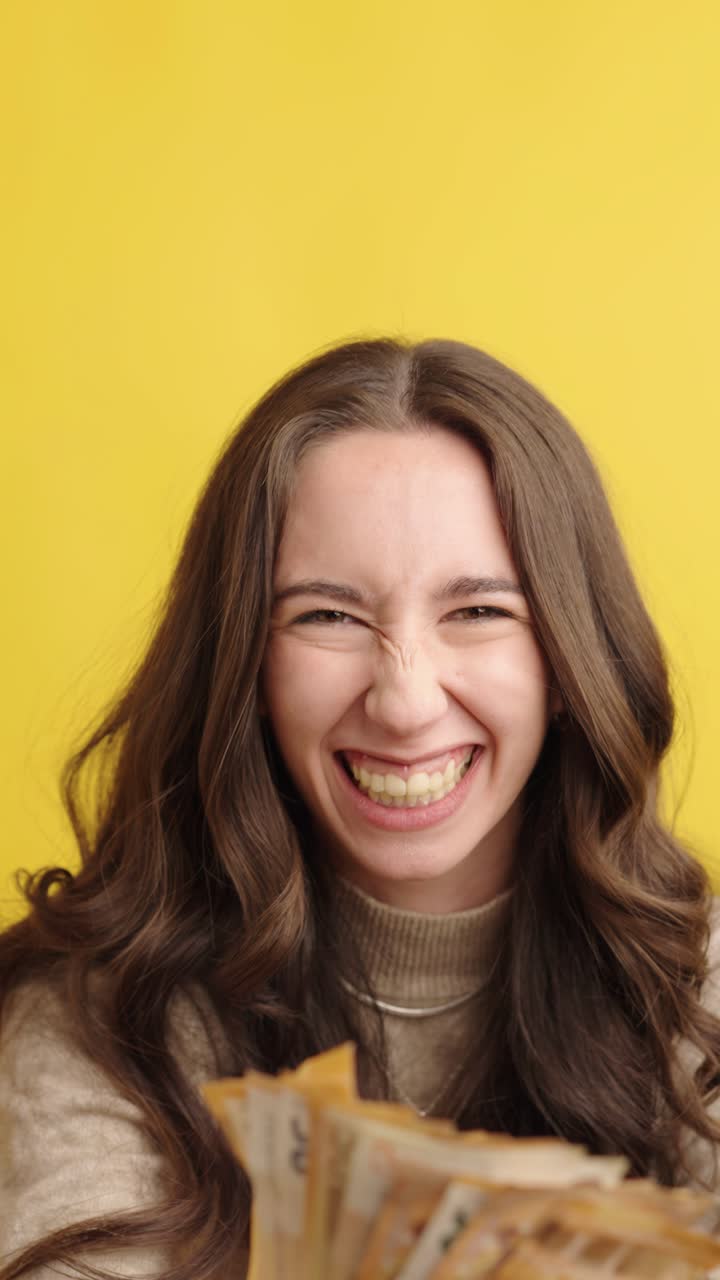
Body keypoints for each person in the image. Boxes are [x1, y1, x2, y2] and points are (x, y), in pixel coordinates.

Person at [1, 335, 719, 1280]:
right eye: (328, 616)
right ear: (246, 668)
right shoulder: (99, 1016)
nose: (405, 701)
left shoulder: (694, 987)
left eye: (480, 612)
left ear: (569, 662)